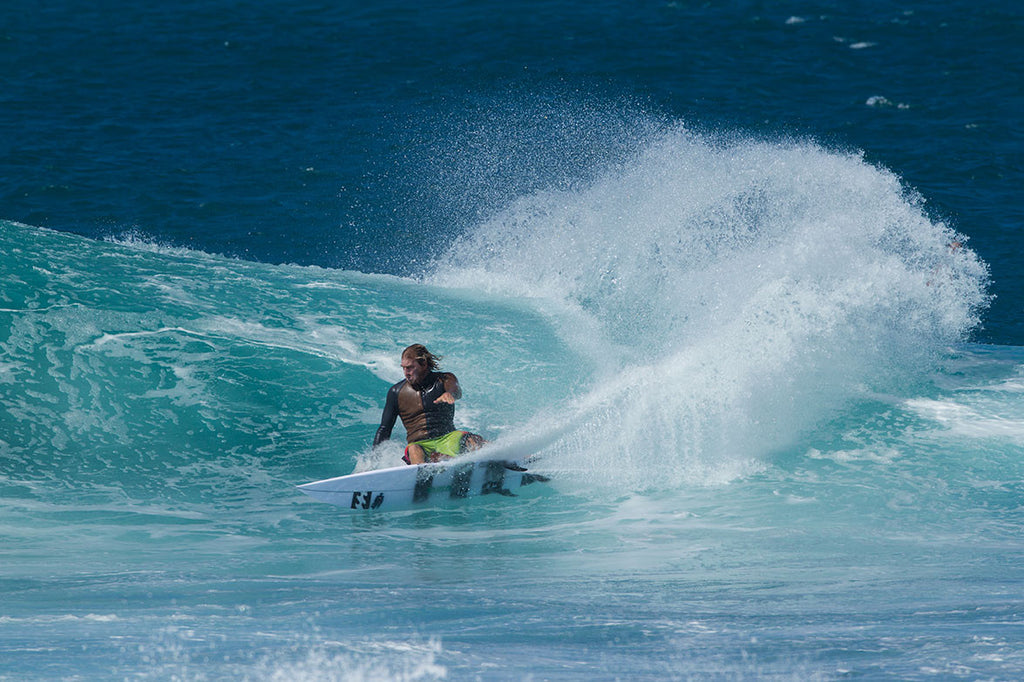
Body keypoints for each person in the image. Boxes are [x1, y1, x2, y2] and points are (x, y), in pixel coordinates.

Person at [373, 344, 486, 464]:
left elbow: (456, 390)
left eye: (410, 368)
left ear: (424, 364)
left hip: (448, 438)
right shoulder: (396, 392)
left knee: (472, 440)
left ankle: (492, 460)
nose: (406, 373)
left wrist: (450, 394)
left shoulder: (444, 379)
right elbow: (385, 428)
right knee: (414, 449)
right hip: (420, 445)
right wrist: (374, 461)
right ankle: (421, 472)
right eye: (404, 368)